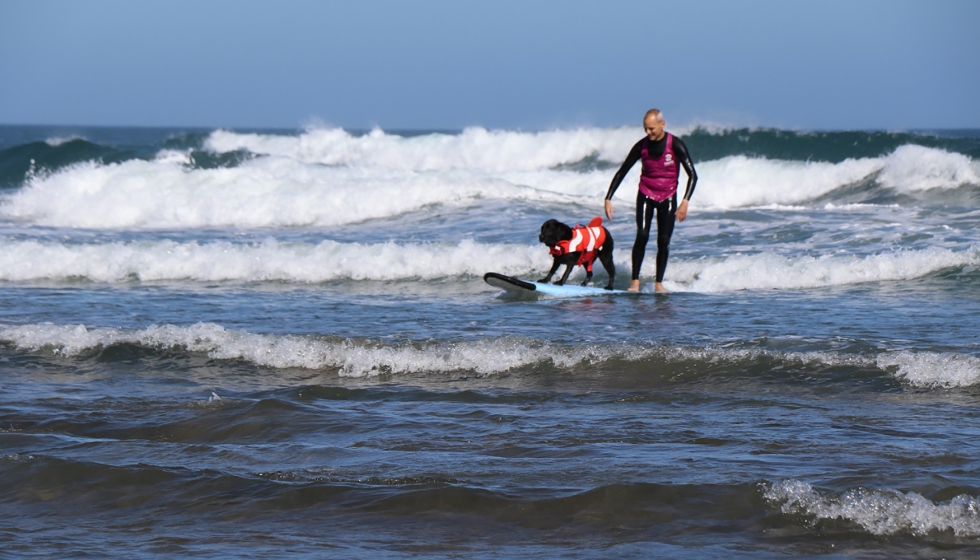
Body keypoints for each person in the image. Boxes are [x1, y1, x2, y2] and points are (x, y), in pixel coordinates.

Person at [604, 109, 697, 292]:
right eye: (645, 128)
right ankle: (635, 282)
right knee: (642, 235)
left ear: (663, 124)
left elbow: (693, 175)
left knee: (663, 240)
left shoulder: (675, 145)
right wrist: (608, 198)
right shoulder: (641, 146)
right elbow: (622, 171)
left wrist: (685, 201)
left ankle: (659, 283)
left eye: (652, 129)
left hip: (668, 196)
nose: (648, 132)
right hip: (646, 193)